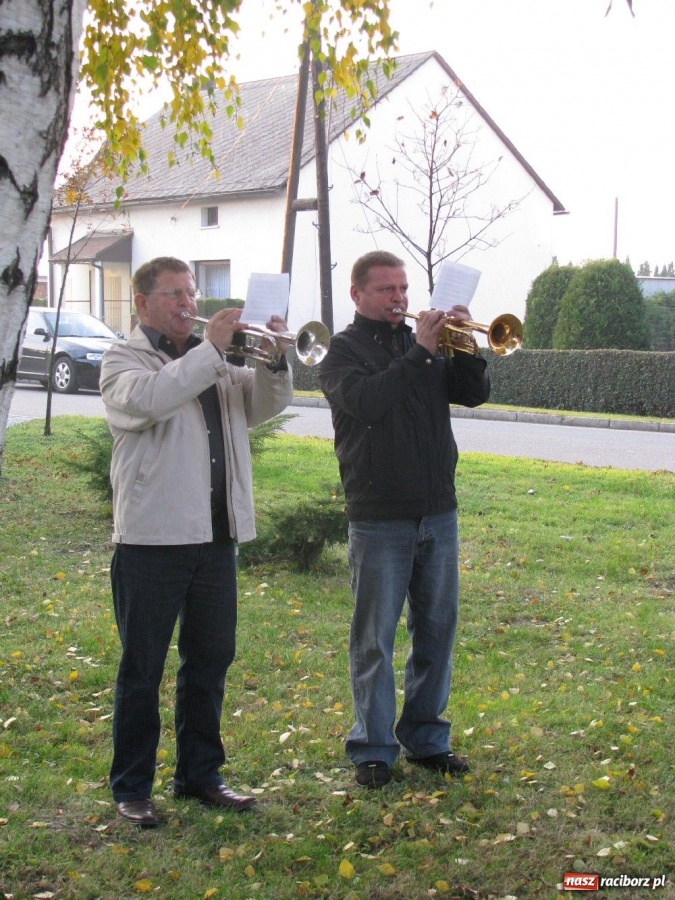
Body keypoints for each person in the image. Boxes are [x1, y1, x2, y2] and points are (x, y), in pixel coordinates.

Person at [100, 256, 293, 825]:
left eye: (191, 291)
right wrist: (211, 349)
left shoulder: (216, 363)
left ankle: (200, 775)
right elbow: (149, 401)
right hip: (152, 539)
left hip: (215, 536)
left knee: (209, 661)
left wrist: (276, 359)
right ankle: (131, 787)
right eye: (174, 294)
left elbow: (262, 407)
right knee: (143, 668)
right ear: (143, 303)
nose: (188, 302)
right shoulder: (123, 359)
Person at [318, 250, 490, 789]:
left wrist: (466, 347)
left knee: (436, 632)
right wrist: (420, 352)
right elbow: (369, 402)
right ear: (357, 294)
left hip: (437, 510)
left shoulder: (430, 344)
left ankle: (427, 739)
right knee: (374, 638)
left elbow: (474, 395)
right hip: (378, 515)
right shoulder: (340, 352)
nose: (399, 298)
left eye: (403, 288)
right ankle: (372, 747)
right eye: (387, 289)